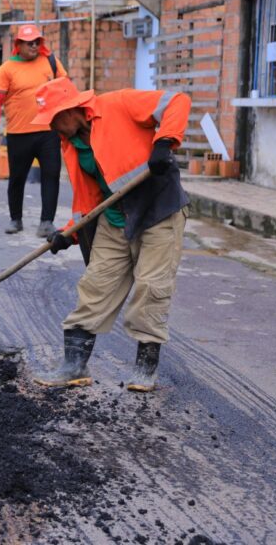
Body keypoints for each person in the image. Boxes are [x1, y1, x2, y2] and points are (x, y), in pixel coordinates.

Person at [30, 77, 190, 393]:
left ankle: (146, 368)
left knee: (150, 286)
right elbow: (87, 197)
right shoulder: (71, 144)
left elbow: (177, 101)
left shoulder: (117, 103)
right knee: (95, 285)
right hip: (115, 219)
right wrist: (69, 233)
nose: (52, 128)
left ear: (73, 109)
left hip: (157, 210)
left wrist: (163, 142)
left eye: (54, 120)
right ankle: (74, 366)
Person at [0, 24, 66, 237]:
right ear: (18, 45)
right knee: (17, 178)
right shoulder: (7, 69)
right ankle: (16, 219)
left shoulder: (51, 63)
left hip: (48, 131)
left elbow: (65, 89)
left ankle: (47, 221)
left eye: (37, 42)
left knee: (51, 175)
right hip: (18, 133)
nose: (34, 45)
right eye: (29, 42)